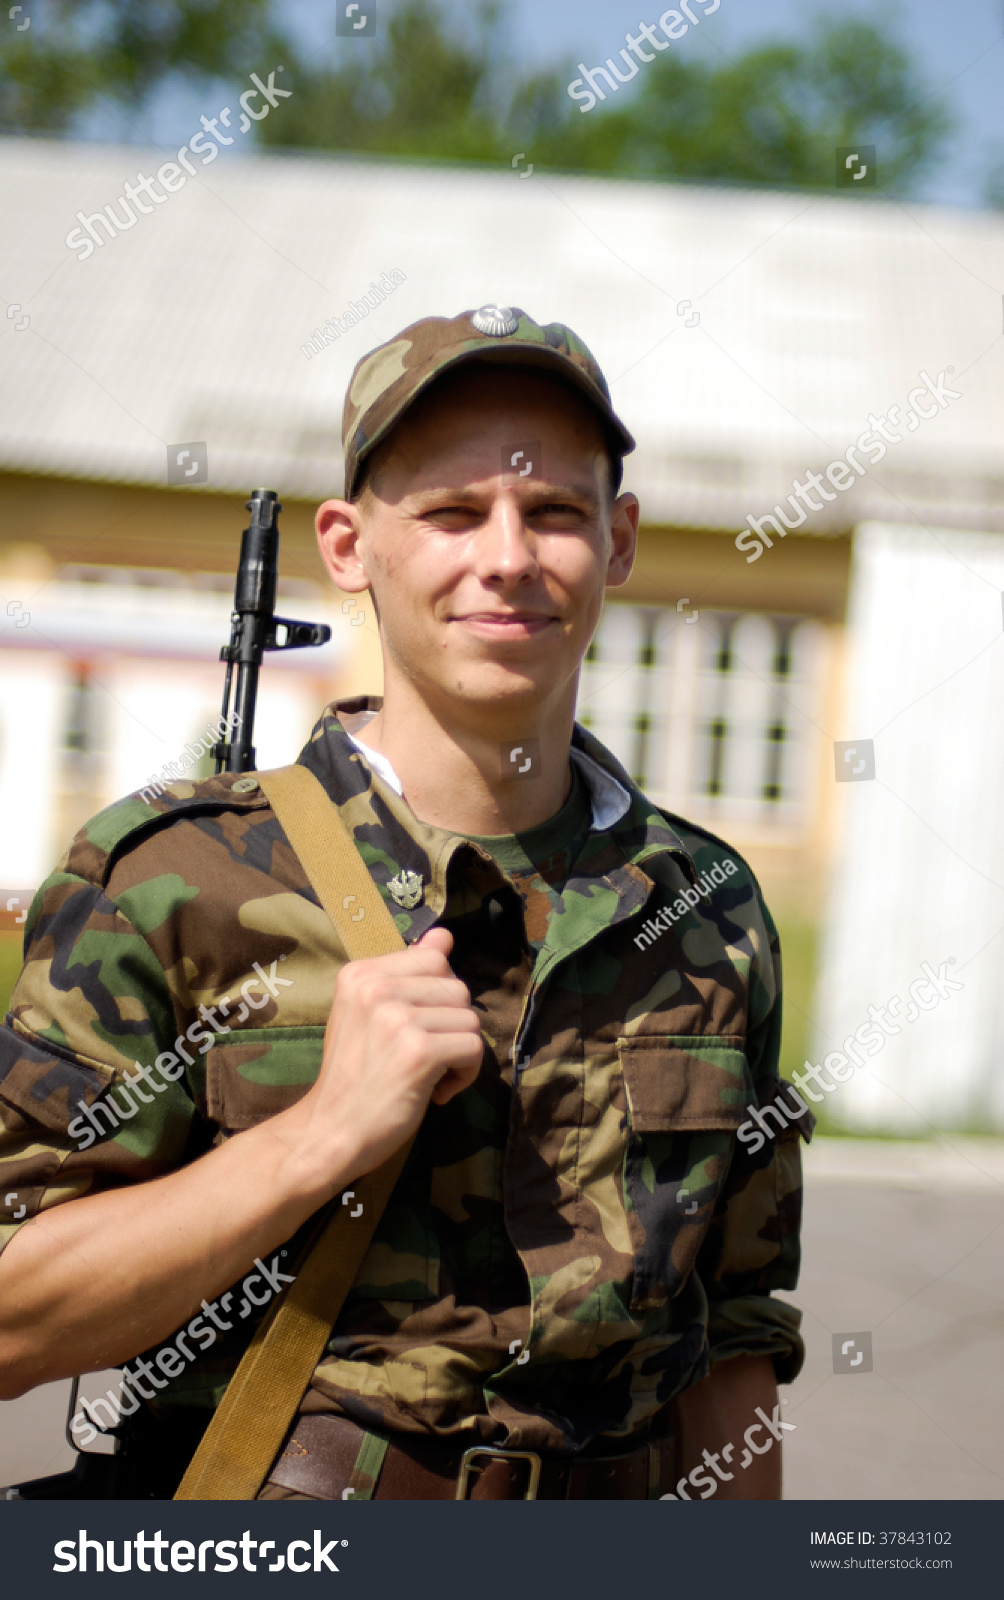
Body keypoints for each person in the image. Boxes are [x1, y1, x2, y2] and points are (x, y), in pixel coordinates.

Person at [0, 306, 809, 1501]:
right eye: (447, 512)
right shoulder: (169, 880)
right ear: (345, 542)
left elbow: (729, 1340)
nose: (506, 556)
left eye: (552, 512)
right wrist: (322, 1132)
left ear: (618, 539)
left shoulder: (703, 905)